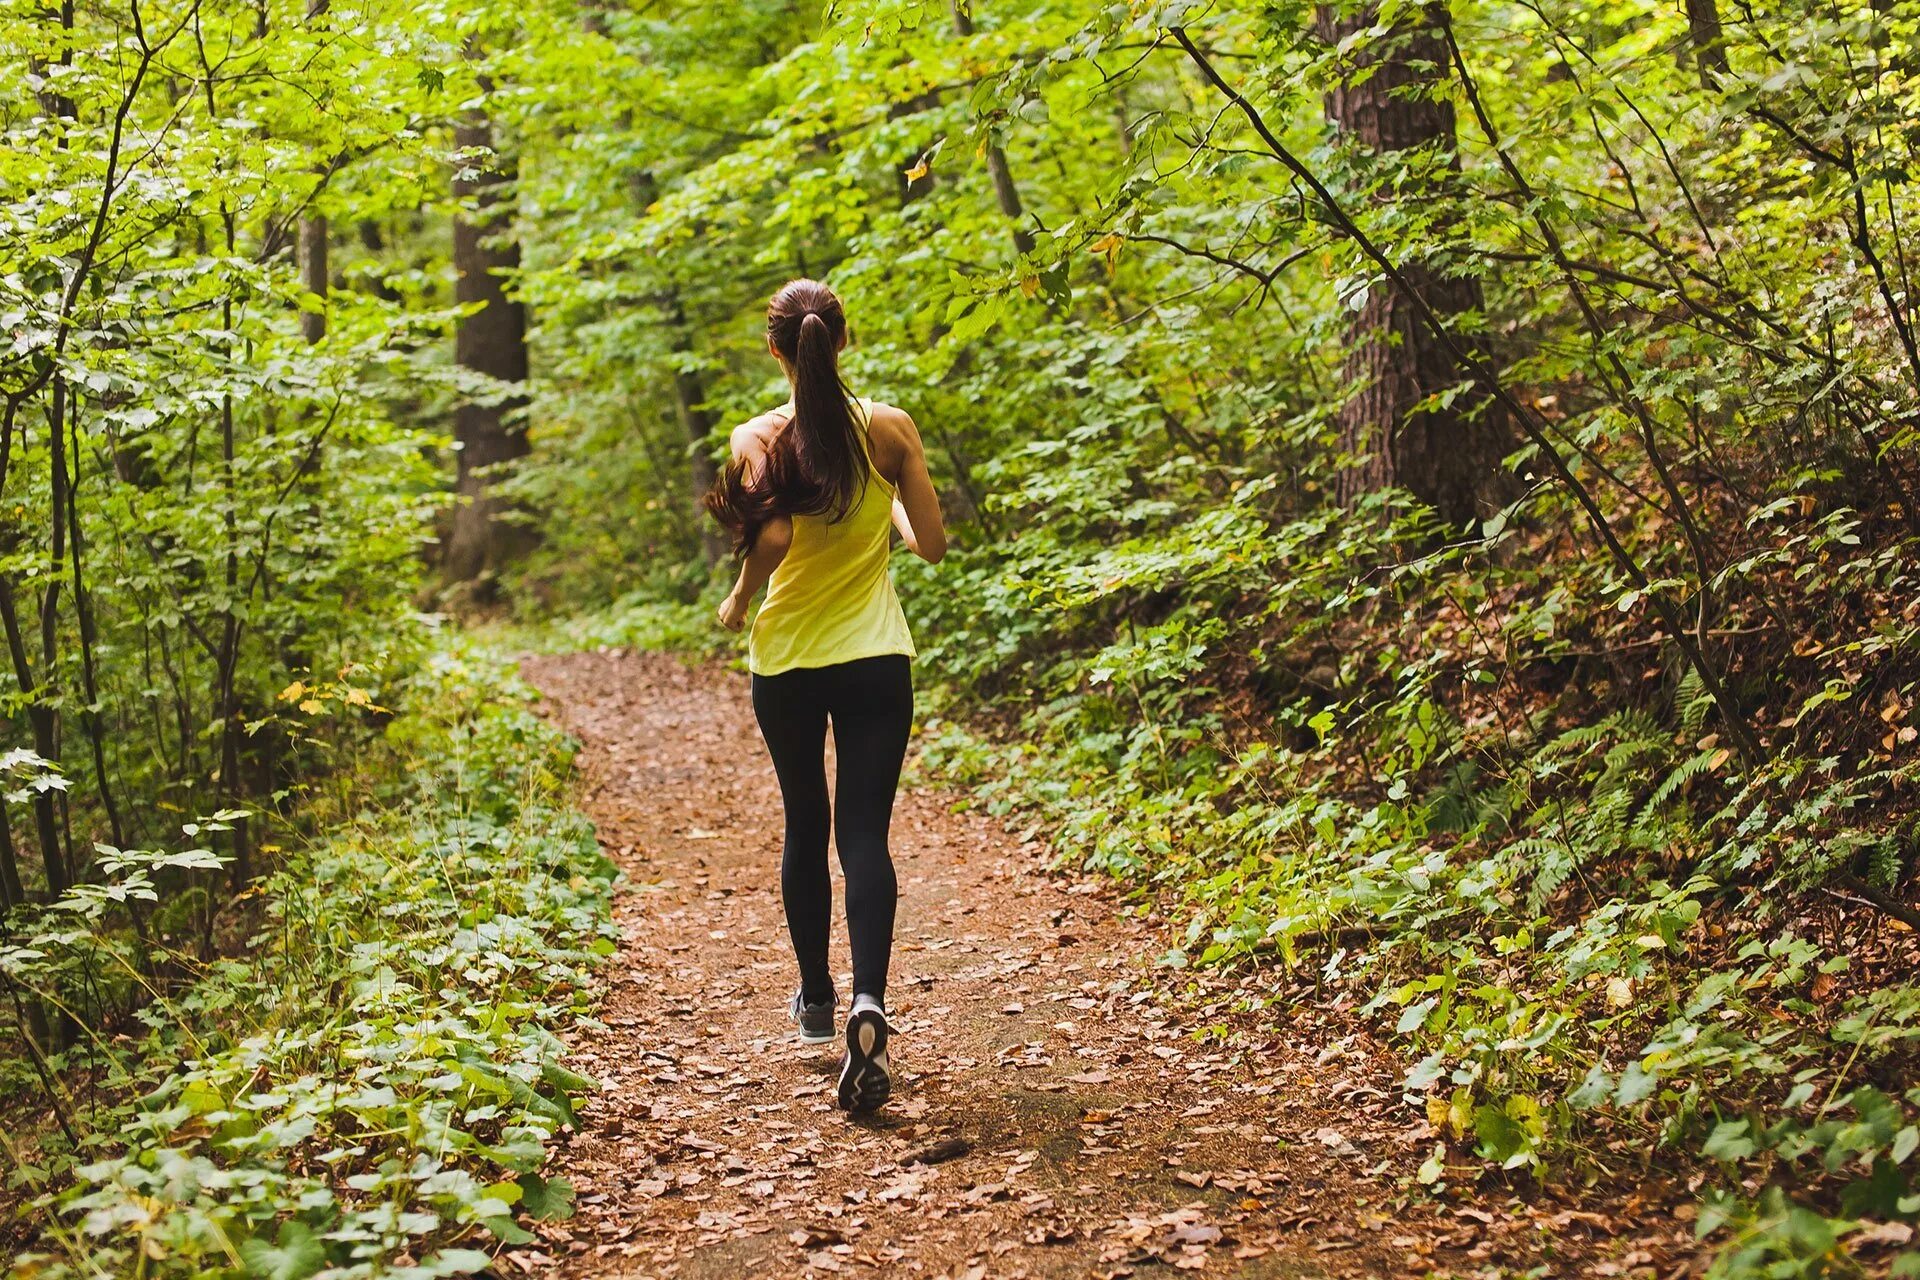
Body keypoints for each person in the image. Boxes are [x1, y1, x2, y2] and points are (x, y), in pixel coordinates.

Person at [703, 279, 946, 1114]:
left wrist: (740, 598)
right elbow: (935, 544)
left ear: (777, 349)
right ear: (842, 341)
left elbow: (772, 534)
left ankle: (815, 1000)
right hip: (877, 656)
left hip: (792, 661)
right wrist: (897, 526)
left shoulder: (759, 437)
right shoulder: (889, 429)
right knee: (866, 835)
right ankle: (870, 999)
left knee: (805, 822)